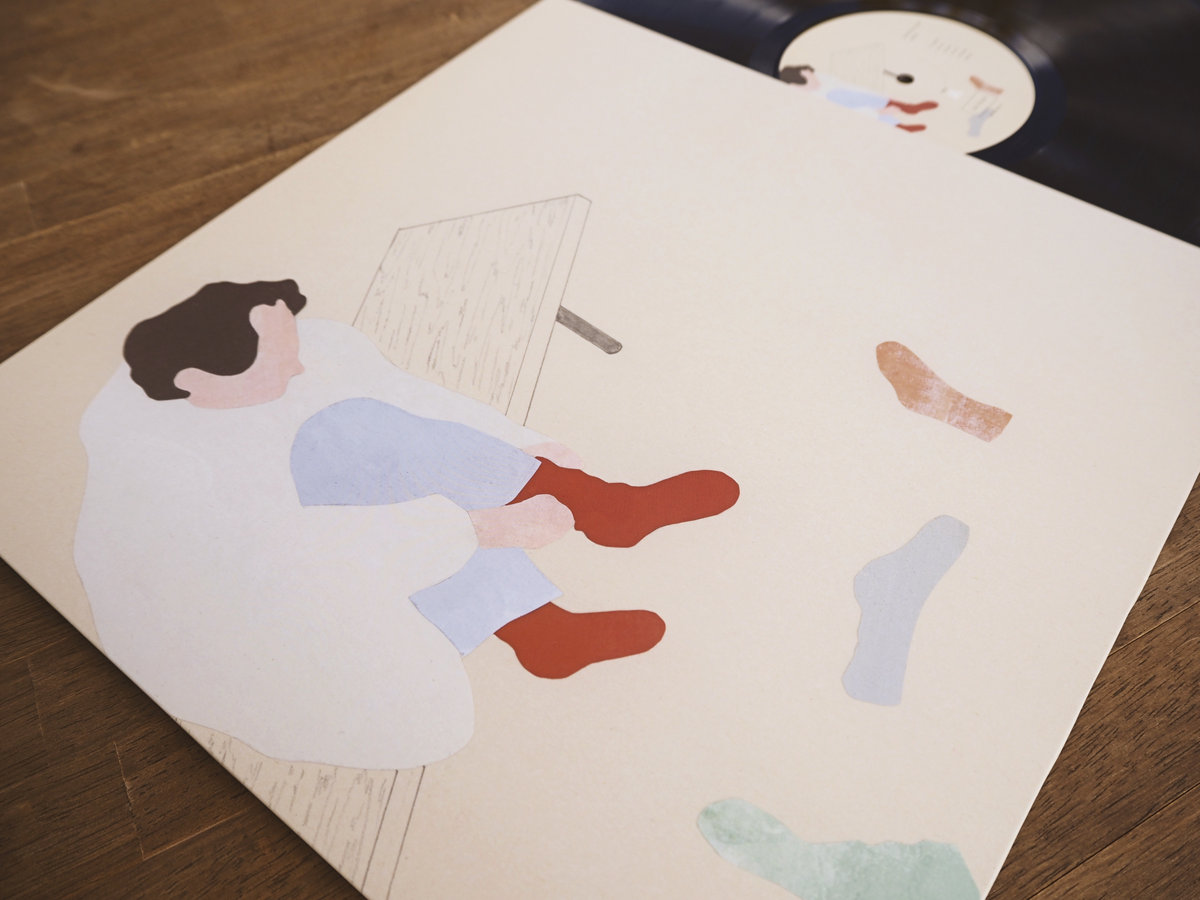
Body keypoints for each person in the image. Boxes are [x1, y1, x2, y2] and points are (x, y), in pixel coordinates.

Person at [75, 280, 737, 768]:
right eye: (279, 360)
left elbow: (412, 400)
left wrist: (523, 447)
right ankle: (600, 522)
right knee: (348, 439)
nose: (298, 364)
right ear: (196, 379)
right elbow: (286, 561)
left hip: (332, 556)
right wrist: (480, 527)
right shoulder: (168, 472)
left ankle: (549, 618)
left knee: (360, 437)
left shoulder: (283, 376)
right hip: (274, 644)